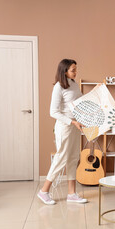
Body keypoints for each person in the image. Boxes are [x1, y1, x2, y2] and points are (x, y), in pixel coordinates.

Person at [38, 59, 90, 205]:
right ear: (64, 71)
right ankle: (44, 191)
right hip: (65, 126)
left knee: (73, 158)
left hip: (76, 126)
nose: (76, 72)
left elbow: (80, 102)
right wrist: (72, 121)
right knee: (61, 158)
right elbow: (53, 112)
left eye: (76, 69)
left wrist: (97, 91)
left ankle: (71, 194)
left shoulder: (74, 84)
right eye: (73, 70)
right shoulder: (59, 87)